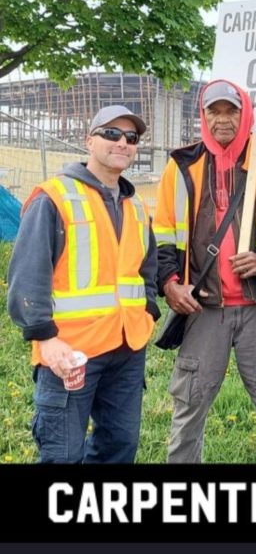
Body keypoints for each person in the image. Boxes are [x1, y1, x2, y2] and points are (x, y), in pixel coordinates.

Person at [153, 79, 256, 463]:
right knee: (188, 404)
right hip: (204, 307)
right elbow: (162, 234)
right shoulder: (181, 165)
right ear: (203, 115)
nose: (222, 120)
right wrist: (170, 283)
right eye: (214, 111)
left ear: (245, 114)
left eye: (231, 111)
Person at [8, 105, 159, 463]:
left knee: (119, 447)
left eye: (131, 137)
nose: (122, 142)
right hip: (71, 353)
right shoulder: (54, 196)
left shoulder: (136, 205)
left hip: (126, 348)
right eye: (111, 134)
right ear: (88, 140)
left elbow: (146, 268)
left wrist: (148, 310)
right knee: (62, 454)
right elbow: (27, 274)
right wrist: (45, 338)